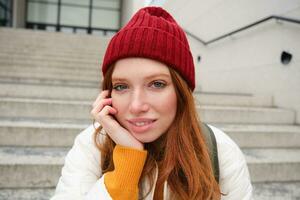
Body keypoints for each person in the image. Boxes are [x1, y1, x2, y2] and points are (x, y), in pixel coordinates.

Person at [51, 6, 253, 200]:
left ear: (181, 92)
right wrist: (127, 163)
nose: (136, 106)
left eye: (156, 84)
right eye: (121, 86)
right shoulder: (92, 145)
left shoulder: (220, 151)